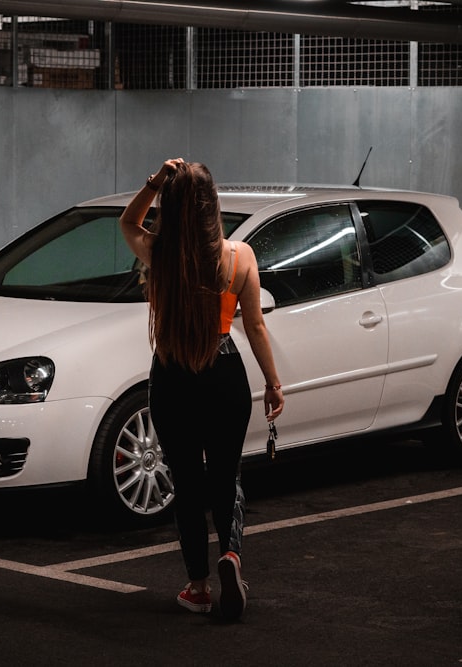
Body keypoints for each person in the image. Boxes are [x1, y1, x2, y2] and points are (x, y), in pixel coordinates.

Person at [119, 158, 285, 621]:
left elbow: (128, 221)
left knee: (188, 485)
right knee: (226, 477)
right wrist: (273, 383)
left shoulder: (160, 253)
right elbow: (254, 326)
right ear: (213, 206)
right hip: (225, 373)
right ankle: (231, 555)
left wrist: (153, 183)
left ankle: (197, 587)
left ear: (171, 208)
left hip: (173, 375)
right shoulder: (240, 257)